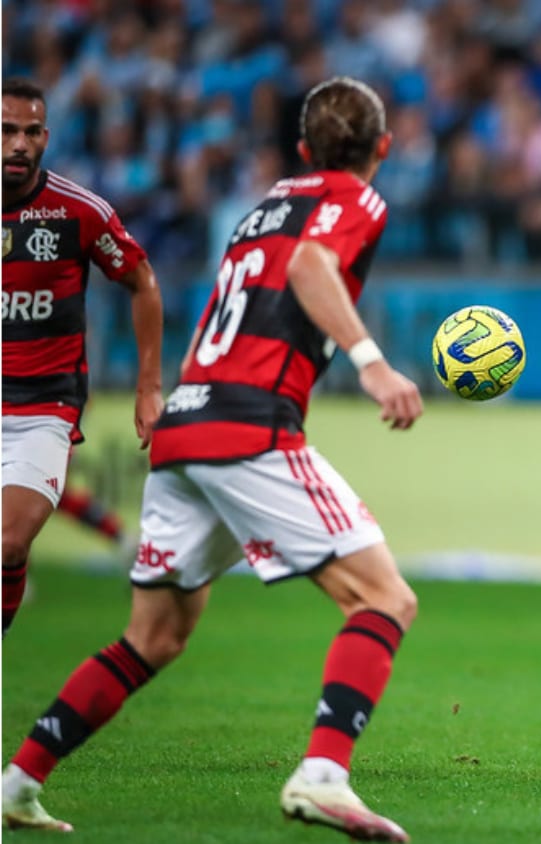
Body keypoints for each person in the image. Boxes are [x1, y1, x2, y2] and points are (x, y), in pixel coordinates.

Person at [1, 76, 423, 842]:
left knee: (151, 638)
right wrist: (371, 361)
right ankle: (323, 776)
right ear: (382, 149)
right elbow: (308, 270)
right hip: (250, 425)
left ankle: (18, 780)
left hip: (187, 424)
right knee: (384, 599)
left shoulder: (262, 207)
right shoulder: (358, 199)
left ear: (300, 149)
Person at [1, 77, 164, 637]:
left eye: (30, 132)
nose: (19, 144)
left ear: (46, 137)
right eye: (6, 131)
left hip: (43, 407)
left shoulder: (78, 212)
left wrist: (147, 386)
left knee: (9, 541)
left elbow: (142, 281)